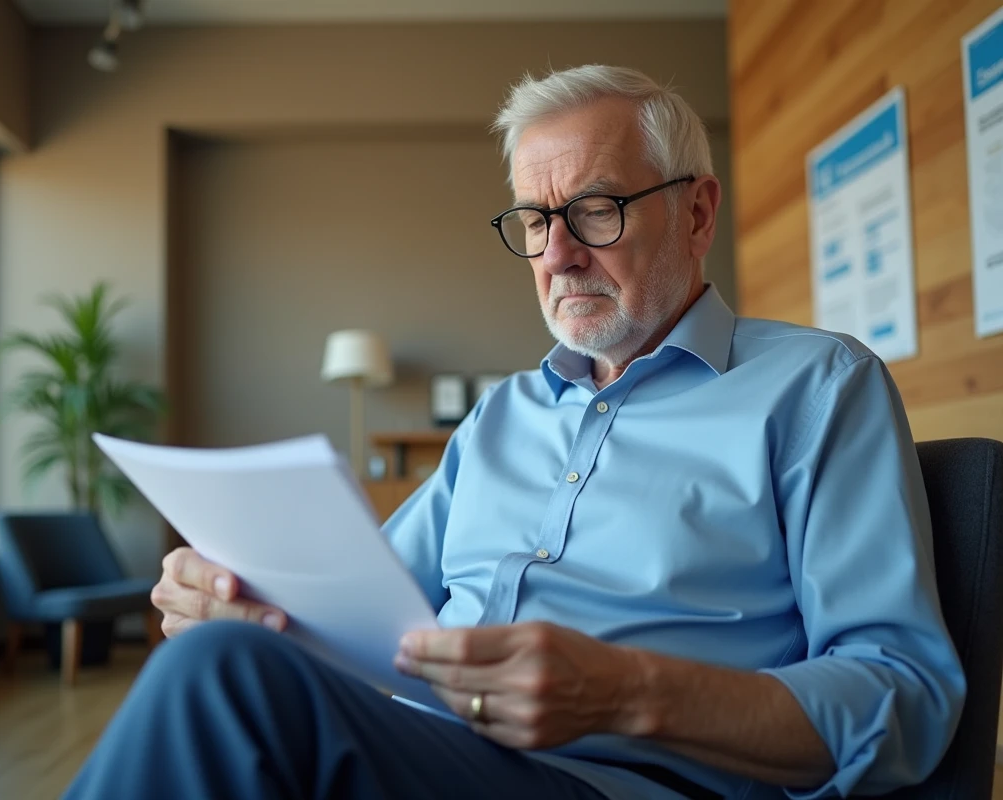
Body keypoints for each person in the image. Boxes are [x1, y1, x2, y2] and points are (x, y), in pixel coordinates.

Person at [64, 65, 964, 800]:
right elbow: (365, 612)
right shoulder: (501, 416)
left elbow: (905, 696)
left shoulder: (817, 387)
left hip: (622, 784)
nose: (560, 252)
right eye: (536, 221)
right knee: (229, 663)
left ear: (696, 214)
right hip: (417, 757)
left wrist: (628, 694)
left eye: (597, 209)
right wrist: (245, 601)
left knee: (223, 685)